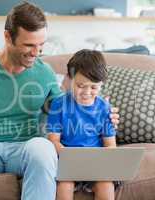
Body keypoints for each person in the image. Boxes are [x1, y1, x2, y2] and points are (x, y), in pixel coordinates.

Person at [0, 2, 119, 200]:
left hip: (26, 147)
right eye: (29, 45)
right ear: (7, 37)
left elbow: (67, 108)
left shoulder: (44, 72)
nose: (36, 53)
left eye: (41, 45)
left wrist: (102, 112)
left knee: (44, 148)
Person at [47, 49, 117, 200]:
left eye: (93, 87)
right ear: (69, 79)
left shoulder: (105, 108)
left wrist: (103, 159)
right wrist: (68, 156)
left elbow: (110, 145)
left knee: (106, 184)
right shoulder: (58, 104)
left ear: (101, 84)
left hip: (96, 164)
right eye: (80, 85)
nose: (86, 92)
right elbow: (53, 141)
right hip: (67, 161)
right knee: (64, 185)